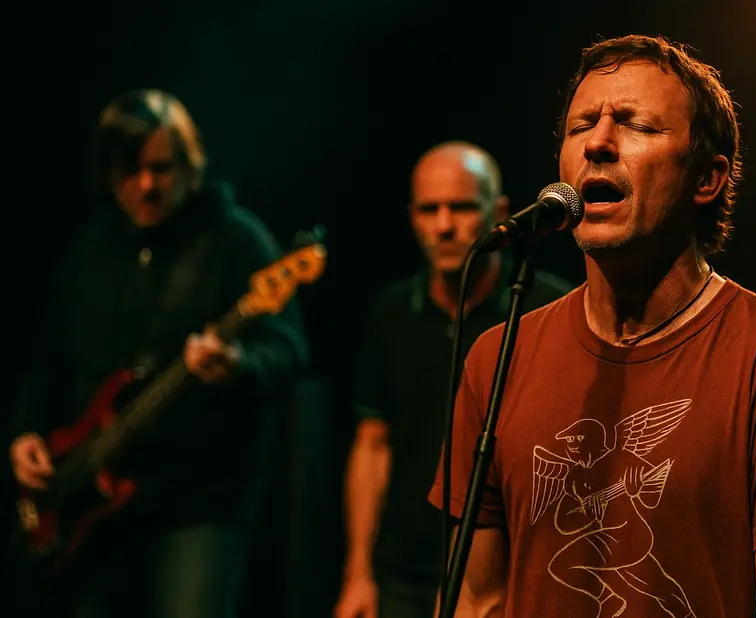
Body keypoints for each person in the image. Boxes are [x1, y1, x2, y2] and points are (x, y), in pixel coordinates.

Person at [429, 35, 756, 618]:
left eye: (636, 126)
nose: (599, 144)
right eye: (582, 125)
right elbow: (475, 598)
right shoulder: (496, 356)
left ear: (706, 180)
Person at [7, 89, 309, 617]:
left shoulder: (237, 241)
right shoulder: (88, 252)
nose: (147, 185)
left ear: (191, 167)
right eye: (131, 170)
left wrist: (238, 366)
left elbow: (287, 351)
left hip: (200, 503)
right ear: (106, 173)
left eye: (161, 169)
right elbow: (47, 361)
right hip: (92, 502)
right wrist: (25, 434)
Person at [332, 141, 573, 618]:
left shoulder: (550, 311)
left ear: (500, 211)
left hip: (501, 576)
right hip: (402, 572)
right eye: (429, 209)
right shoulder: (391, 312)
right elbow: (372, 445)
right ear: (411, 217)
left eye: (461, 207)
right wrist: (358, 572)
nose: (444, 225)